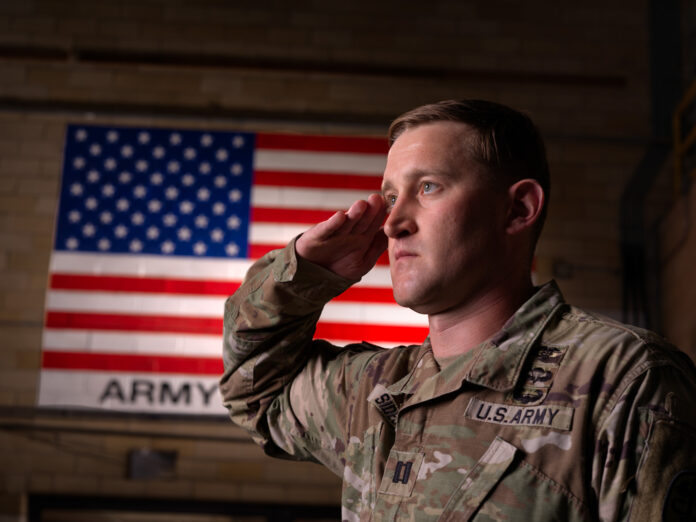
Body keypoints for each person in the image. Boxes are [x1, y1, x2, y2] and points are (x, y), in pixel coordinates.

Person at [220, 100, 696, 521]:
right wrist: (301, 273)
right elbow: (254, 392)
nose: (392, 223)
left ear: (518, 210)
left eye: (428, 187)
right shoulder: (374, 392)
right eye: (390, 196)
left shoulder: (620, 380)